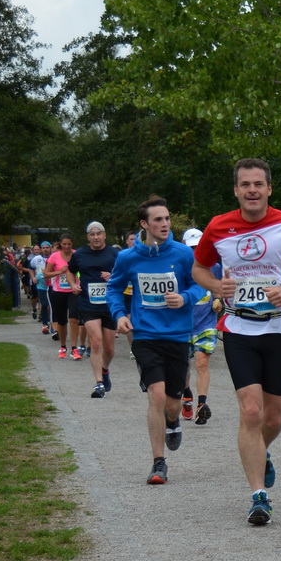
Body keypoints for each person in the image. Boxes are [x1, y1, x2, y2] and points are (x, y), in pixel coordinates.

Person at [192, 158, 281, 525]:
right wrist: (215, 286)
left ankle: (260, 451)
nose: (252, 190)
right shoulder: (218, 227)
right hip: (239, 328)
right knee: (251, 411)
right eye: (245, 184)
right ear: (236, 190)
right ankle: (258, 497)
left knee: (274, 418)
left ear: (268, 189)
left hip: (279, 327)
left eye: (258, 184)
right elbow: (198, 268)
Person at [106, 197, 208, 485]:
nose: (165, 224)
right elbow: (114, 290)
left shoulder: (182, 254)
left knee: (173, 404)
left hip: (176, 335)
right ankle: (158, 463)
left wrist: (185, 297)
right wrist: (119, 315)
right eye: (158, 220)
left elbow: (200, 282)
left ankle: (173, 422)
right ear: (144, 224)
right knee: (157, 395)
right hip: (145, 335)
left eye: (167, 219)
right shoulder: (128, 257)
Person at [68, 221, 123, 397]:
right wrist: (73, 285)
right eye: (92, 234)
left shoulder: (115, 254)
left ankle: (105, 370)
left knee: (109, 349)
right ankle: (98, 383)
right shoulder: (80, 254)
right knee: (96, 342)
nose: (96, 237)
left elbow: (125, 276)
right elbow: (69, 271)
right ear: (88, 237)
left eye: (99, 233)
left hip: (110, 304)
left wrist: (112, 276)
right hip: (88, 303)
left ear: (105, 235)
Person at [180, 227, 220, 424]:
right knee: (183, 366)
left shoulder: (216, 267)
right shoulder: (179, 268)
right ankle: (187, 396)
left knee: (202, 362)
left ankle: (202, 404)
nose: (196, 251)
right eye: (192, 247)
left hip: (206, 322)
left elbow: (223, 288)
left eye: (198, 246)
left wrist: (220, 299)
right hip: (182, 324)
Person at [44, 235, 78, 358]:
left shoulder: (76, 255)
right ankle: (63, 347)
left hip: (73, 291)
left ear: (72, 244)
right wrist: (60, 271)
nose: (67, 247)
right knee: (62, 321)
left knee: (74, 319)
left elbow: (82, 270)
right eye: (64, 244)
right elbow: (46, 274)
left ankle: (74, 348)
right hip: (58, 291)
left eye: (69, 244)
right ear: (60, 244)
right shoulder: (54, 256)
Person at [30, 241, 52, 331]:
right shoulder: (36, 258)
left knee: (52, 305)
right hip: (41, 285)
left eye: (47, 247)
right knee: (44, 304)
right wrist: (33, 277)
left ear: (50, 248)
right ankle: (45, 324)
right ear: (41, 249)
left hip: (52, 285)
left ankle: (52, 322)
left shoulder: (53, 257)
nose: (45, 249)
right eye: (44, 248)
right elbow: (30, 269)